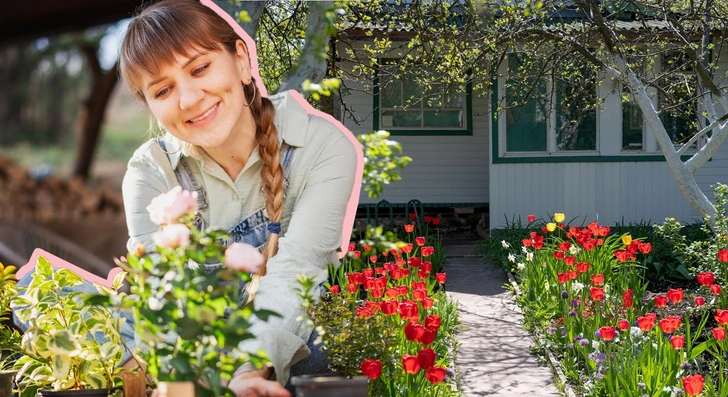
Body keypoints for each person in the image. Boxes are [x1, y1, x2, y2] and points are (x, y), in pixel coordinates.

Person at [118, 0, 360, 395]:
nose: (189, 99)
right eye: (163, 90)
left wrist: (250, 369)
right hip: (192, 348)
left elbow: (297, 269)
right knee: (56, 298)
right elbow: (160, 288)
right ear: (152, 108)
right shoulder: (150, 171)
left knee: (317, 336)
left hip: (281, 342)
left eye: (200, 68)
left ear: (242, 61)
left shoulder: (320, 146)